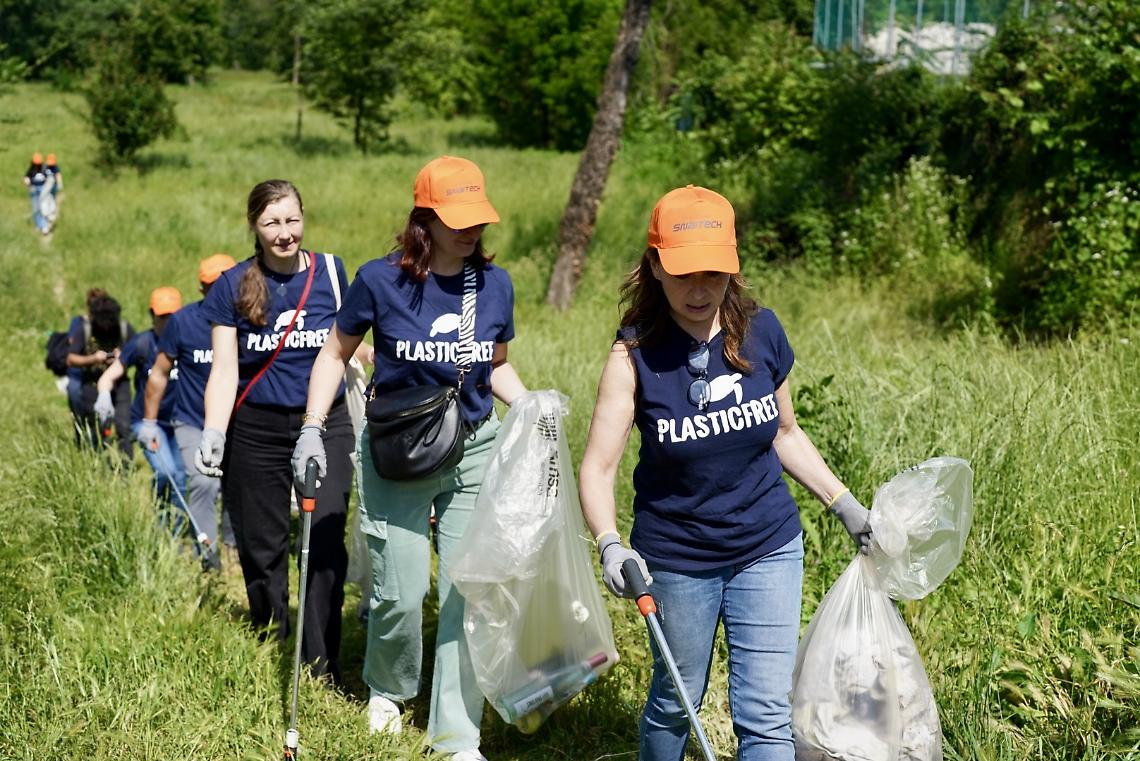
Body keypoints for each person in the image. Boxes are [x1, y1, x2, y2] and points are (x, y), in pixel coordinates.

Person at [577, 185, 874, 761]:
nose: (700, 288)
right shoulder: (634, 355)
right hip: (679, 556)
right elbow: (599, 465)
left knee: (765, 713)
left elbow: (786, 433)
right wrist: (610, 544)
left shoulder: (762, 332)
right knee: (677, 699)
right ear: (656, 266)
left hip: (770, 545)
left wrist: (845, 505)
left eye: (714, 272)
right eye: (685, 272)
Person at [291, 155, 526, 760]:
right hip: (399, 453)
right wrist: (313, 428)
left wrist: (530, 408)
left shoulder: (494, 286)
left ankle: (455, 732)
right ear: (424, 217)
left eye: (478, 218)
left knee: (465, 591)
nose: (470, 229)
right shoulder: (379, 280)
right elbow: (331, 355)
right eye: (455, 218)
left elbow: (493, 366)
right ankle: (390, 688)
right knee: (398, 591)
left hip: (474, 449)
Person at [196, 180, 354, 683]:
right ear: (254, 227)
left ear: (303, 217)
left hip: (325, 422)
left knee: (325, 537)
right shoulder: (232, 285)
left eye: (291, 220)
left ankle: (319, 665)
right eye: (271, 223)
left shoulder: (331, 272)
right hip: (256, 427)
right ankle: (273, 639)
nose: (284, 234)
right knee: (262, 546)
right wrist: (214, 430)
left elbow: (345, 348)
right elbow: (224, 369)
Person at [143, 254, 239, 572]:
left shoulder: (251, 319)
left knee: (236, 484)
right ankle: (207, 551)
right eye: (214, 284)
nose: (222, 289)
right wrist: (149, 423)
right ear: (202, 287)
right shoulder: (183, 321)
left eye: (229, 282)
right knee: (204, 481)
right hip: (192, 420)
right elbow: (159, 373)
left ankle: (233, 544)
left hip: (239, 421)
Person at [95, 286, 187, 538]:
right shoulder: (143, 344)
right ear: (152, 315)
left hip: (181, 422)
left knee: (180, 478)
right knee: (164, 471)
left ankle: (176, 535)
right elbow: (110, 376)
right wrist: (104, 394)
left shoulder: (189, 341)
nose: (168, 322)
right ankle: (159, 524)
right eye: (162, 316)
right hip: (148, 423)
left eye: (173, 316)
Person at [66, 289, 135, 457]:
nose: (106, 327)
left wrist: (123, 357)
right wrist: (93, 359)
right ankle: (99, 460)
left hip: (120, 385)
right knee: (97, 426)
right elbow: (70, 359)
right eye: (102, 324)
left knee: (124, 425)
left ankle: (126, 467)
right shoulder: (85, 329)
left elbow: (140, 354)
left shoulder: (124, 328)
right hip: (91, 384)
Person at [22, 152, 50, 235]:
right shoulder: (31, 169)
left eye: (38, 163)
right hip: (33, 189)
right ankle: (38, 225)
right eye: (35, 163)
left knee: (43, 207)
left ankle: (44, 226)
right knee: (36, 208)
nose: (37, 165)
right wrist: (26, 181)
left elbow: (49, 178)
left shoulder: (44, 168)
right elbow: (25, 177)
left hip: (43, 189)